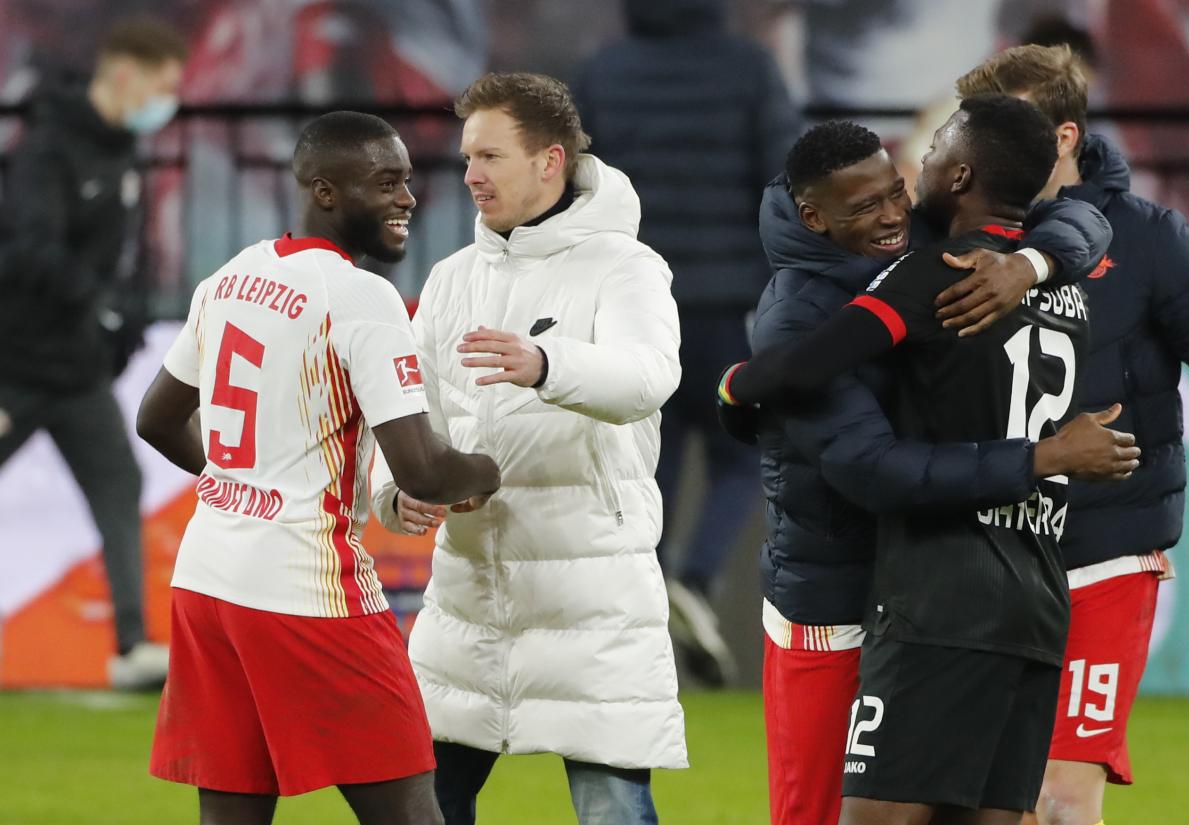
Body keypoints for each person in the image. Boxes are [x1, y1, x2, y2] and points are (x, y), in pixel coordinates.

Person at [722, 95, 1136, 825]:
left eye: (896, 191)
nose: (893, 215)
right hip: (841, 600)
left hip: (933, 590)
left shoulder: (941, 259)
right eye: (866, 206)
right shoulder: (806, 306)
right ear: (815, 217)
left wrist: (1030, 263)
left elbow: (1086, 217)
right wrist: (1042, 455)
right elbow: (871, 468)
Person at [136, 111, 500, 825]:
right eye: (386, 182)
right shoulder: (360, 294)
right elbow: (425, 472)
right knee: (410, 812)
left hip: (207, 581)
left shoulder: (232, 275)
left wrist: (241, 487)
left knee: (233, 815)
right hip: (307, 588)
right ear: (326, 191)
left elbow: (156, 418)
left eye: (407, 180)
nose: (407, 198)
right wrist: (490, 469)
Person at [370, 72, 686, 825]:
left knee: (612, 808)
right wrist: (400, 488)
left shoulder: (627, 266)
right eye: (468, 157)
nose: (471, 175)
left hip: (593, 594)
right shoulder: (450, 279)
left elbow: (649, 378)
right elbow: (411, 415)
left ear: (550, 161)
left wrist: (548, 364)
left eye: (491, 156)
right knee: (422, 804)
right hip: (468, 597)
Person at [956, 44, 1189, 825]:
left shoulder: (1148, 237)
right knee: (997, 799)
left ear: (1065, 136)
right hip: (989, 551)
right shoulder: (957, 238)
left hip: (1107, 549)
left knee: (1062, 794)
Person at [573, 0, 798, 686]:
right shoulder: (750, 67)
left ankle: (647, 597)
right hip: (728, 303)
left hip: (634, 301)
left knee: (653, 455)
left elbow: (580, 185)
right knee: (744, 449)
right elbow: (783, 180)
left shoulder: (604, 71)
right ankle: (696, 579)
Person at [0, 15, 186, 689]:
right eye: (162, 86)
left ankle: (132, 646)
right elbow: (29, 250)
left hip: (77, 374)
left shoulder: (122, 152)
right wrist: (98, 303)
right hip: (14, 366)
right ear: (126, 75)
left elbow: (111, 261)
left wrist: (120, 314)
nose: (167, 102)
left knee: (119, 485)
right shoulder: (48, 149)